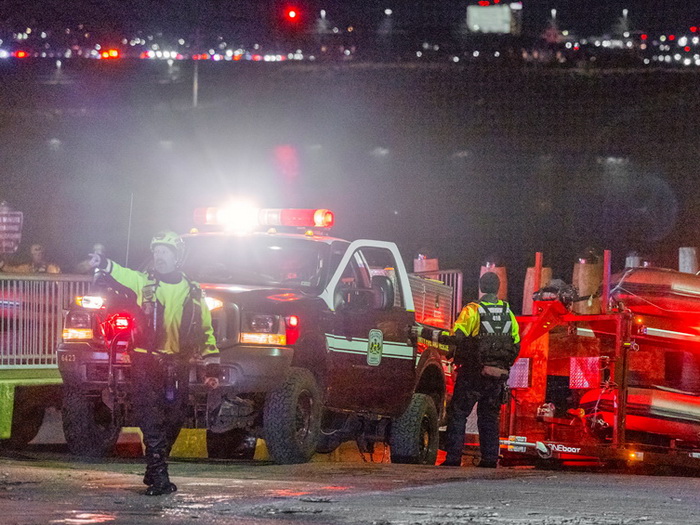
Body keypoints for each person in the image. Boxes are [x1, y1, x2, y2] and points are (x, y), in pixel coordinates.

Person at [90, 231, 221, 496]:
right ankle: (160, 476)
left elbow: (206, 331)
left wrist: (211, 367)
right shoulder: (144, 283)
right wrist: (103, 263)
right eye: (156, 252)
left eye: (165, 252)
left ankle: (154, 466)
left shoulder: (193, 292)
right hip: (146, 362)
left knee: (174, 419)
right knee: (150, 418)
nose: (158, 256)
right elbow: (122, 272)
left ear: (177, 257)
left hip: (178, 364)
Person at [419, 272, 519, 468]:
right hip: (497, 376)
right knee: (489, 417)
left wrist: (424, 333)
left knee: (459, 414)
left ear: (481, 287)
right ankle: (489, 460)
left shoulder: (473, 310)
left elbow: (456, 338)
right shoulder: (508, 313)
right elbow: (515, 343)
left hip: (472, 373)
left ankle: (453, 459)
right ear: (498, 288)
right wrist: (500, 367)